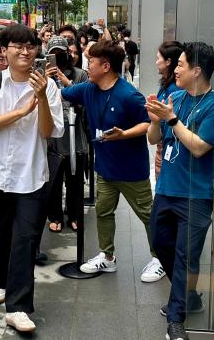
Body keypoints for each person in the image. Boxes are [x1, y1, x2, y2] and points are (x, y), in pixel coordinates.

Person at [0, 24, 64, 333]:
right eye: (17, 46)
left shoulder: (48, 87)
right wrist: (23, 110)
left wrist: (39, 101)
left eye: (30, 47)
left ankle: (19, 306)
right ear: (4, 51)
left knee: (26, 238)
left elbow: (48, 132)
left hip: (32, 173)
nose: (25, 52)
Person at [60, 40, 164, 281]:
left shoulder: (129, 94)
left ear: (106, 66)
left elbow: (148, 123)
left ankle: (160, 258)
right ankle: (107, 258)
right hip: (105, 169)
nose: (87, 67)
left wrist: (124, 134)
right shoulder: (88, 88)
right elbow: (63, 93)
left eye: (91, 63)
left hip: (131, 170)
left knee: (148, 215)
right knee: (104, 212)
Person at [146, 41, 214, 340]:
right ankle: (188, 294)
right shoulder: (174, 96)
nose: (174, 68)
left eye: (179, 64)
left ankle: (176, 319)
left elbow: (199, 147)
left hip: (196, 195)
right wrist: (156, 120)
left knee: (184, 257)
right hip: (167, 188)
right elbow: (155, 138)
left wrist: (171, 119)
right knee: (159, 242)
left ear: (197, 71)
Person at [45, 36, 88, 232]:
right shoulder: (42, 74)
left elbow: (85, 102)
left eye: (60, 53)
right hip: (51, 136)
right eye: (53, 53)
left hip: (74, 133)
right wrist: (46, 79)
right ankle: (54, 215)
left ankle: (75, 214)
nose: (57, 57)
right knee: (52, 179)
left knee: (75, 179)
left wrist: (67, 82)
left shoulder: (80, 75)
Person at [154, 41, 184, 180]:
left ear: (168, 62)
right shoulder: (166, 83)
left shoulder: (175, 89)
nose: (156, 62)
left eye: (158, 58)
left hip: (171, 141)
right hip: (162, 140)